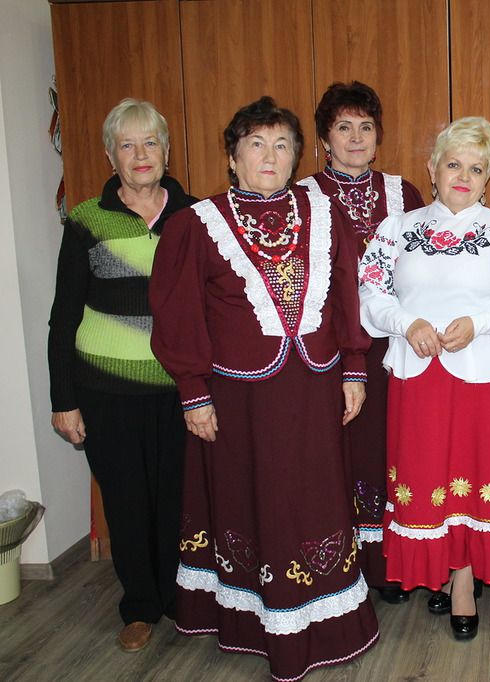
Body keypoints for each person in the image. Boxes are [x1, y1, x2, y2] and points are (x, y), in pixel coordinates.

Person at [149, 97, 378, 680]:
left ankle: (325, 622)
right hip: (238, 399)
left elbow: (348, 295)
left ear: (297, 155)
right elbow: (177, 316)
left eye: (281, 145)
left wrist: (355, 366)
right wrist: (193, 391)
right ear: (233, 157)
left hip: (314, 386)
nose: (270, 156)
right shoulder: (197, 224)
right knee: (255, 503)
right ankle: (261, 623)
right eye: (256, 144)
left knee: (313, 499)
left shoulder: (326, 213)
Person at [358, 117, 490, 640]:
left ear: (488, 179)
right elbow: (370, 296)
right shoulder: (397, 229)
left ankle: (462, 583)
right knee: (425, 479)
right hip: (418, 378)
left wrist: (480, 324)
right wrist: (407, 322)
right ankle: (436, 571)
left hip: (482, 377)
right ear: (432, 168)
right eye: (454, 164)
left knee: (470, 478)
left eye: (476, 168)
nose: (463, 176)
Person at [47, 98, 194, 652]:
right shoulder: (86, 219)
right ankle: (139, 607)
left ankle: (181, 599)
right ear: (111, 155)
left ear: (165, 150)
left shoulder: (198, 216)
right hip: (105, 392)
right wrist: (64, 398)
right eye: (126, 145)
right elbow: (64, 315)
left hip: (181, 392)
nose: (140, 155)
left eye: (149, 143)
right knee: (127, 501)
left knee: (178, 499)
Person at [297, 81, 424, 604]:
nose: (355, 138)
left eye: (366, 128)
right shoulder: (302, 196)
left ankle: (385, 563)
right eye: (343, 128)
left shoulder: (405, 193)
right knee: (331, 456)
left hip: (390, 347)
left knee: (384, 454)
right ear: (325, 138)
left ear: (379, 136)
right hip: (323, 353)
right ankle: (336, 566)